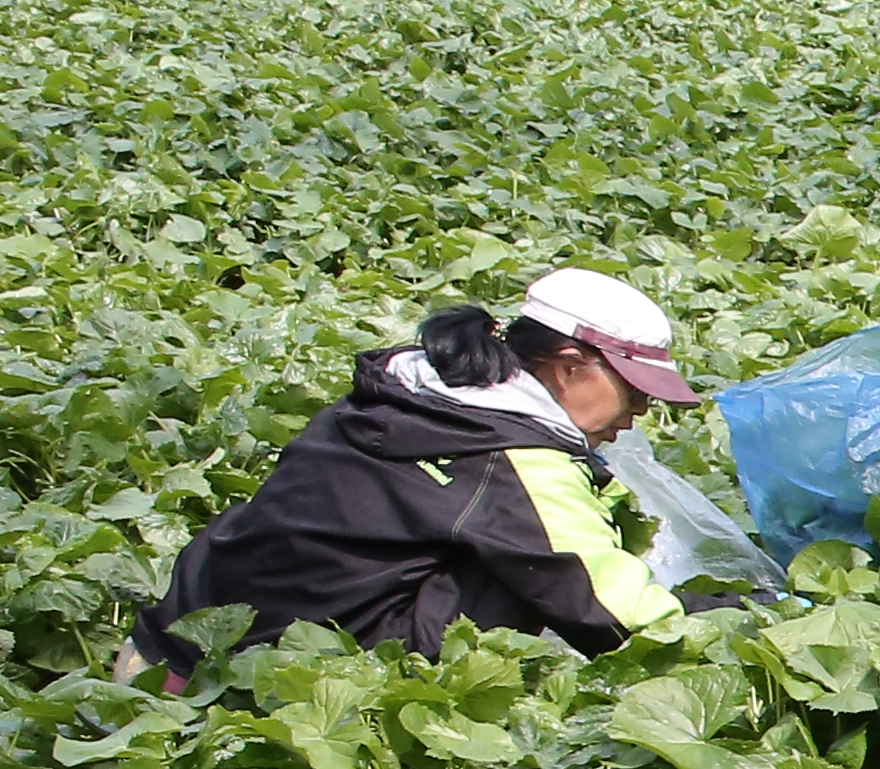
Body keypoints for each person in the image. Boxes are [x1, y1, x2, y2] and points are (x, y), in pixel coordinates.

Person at [132, 274, 701, 679]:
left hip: (189, 630)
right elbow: (604, 608)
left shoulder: (414, 386)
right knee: (526, 569)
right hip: (285, 675)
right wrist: (722, 625)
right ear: (572, 367)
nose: (639, 415)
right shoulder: (512, 454)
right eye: (634, 392)